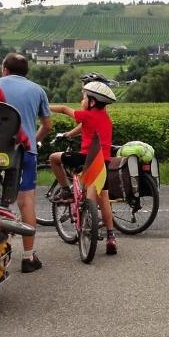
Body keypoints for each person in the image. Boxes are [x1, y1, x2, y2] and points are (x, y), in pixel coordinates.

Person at [0, 53, 53, 273]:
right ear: (25, 72)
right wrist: (33, 141)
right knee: (26, 201)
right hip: (23, 152)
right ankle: (28, 257)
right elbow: (47, 125)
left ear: (4, 69)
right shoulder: (37, 90)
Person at [48, 80, 120, 256]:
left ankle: (65, 190)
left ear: (92, 102)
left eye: (84, 97)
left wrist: (45, 106)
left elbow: (65, 109)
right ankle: (111, 237)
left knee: (53, 158)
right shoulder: (104, 117)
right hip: (102, 162)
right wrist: (69, 134)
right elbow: (84, 127)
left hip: (85, 158)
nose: (82, 101)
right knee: (103, 197)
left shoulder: (87, 115)